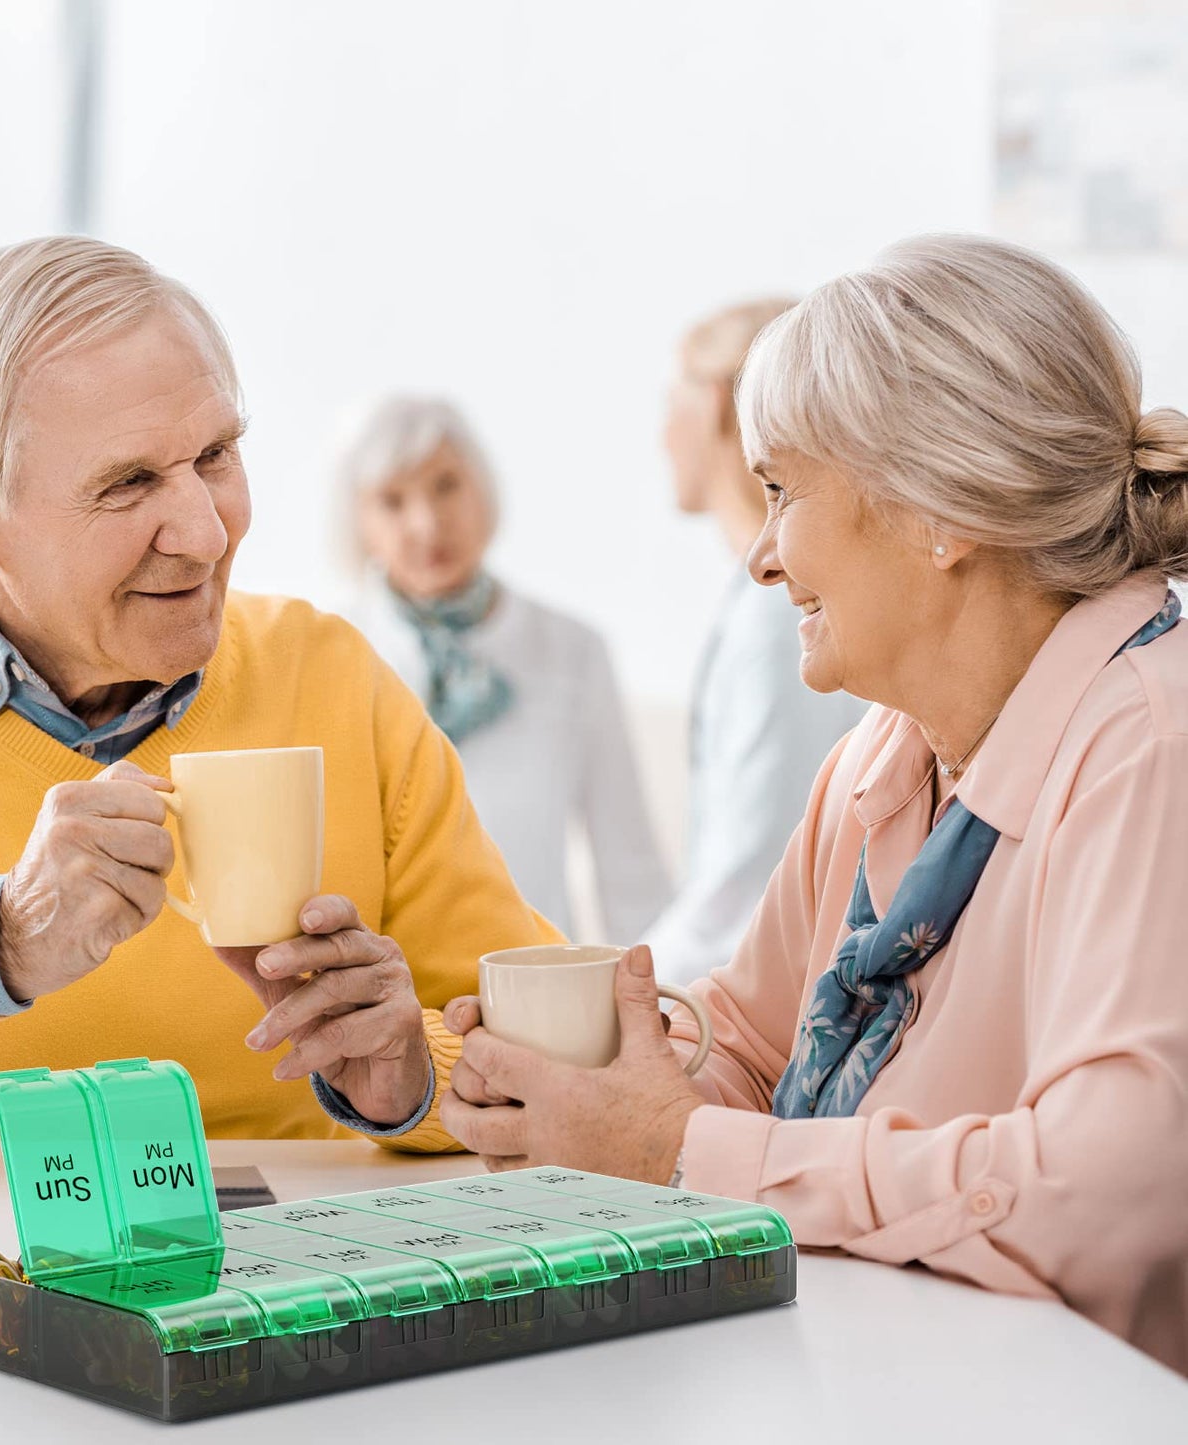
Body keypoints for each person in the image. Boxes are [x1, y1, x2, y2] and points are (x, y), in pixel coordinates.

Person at [433, 235, 1188, 1371]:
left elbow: (1107, 1190)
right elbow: (746, 1047)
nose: (761, 558)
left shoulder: (1149, 742)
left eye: (781, 490)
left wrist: (683, 1150)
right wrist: (582, 1090)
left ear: (942, 507)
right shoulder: (880, 757)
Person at [0, 236, 558, 1147]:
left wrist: (410, 1081)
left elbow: (538, 1057)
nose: (207, 534)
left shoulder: (331, 676)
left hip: (275, 1272)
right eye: (129, 483)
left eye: (215, 454)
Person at [339, 396, 669, 942]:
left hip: (535, 986)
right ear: (359, 522)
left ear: (482, 487)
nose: (427, 523)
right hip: (386, 994)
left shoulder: (573, 650)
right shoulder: (337, 651)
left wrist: (663, 1011)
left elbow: (630, 870)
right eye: (393, 501)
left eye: (446, 485)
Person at [644, 301, 868, 986]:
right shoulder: (770, 601)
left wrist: (610, 999)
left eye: (667, 404)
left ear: (715, 404)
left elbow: (747, 880)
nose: (660, 435)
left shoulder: (781, 614)